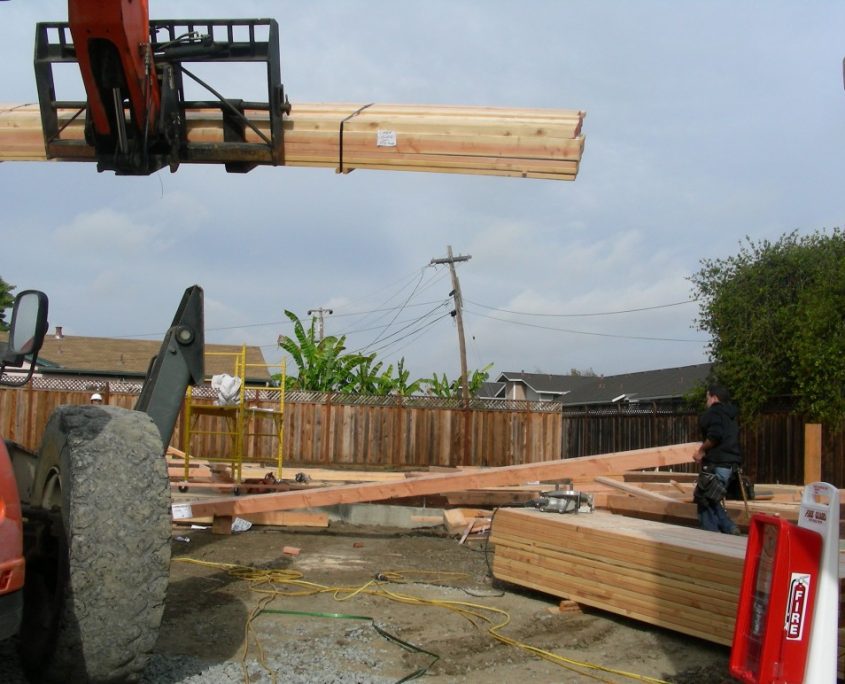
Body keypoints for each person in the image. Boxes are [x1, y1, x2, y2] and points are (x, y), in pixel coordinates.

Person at [693, 384, 742, 535]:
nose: (706, 401)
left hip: (717, 462)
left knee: (703, 497)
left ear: (714, 398)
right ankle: (728, 527)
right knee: (712, 497)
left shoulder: (714, 413)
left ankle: (712, 535)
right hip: (731, 464)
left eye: (707, 398)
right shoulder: (730, 415)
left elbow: (715, 435)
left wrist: (701, 451)